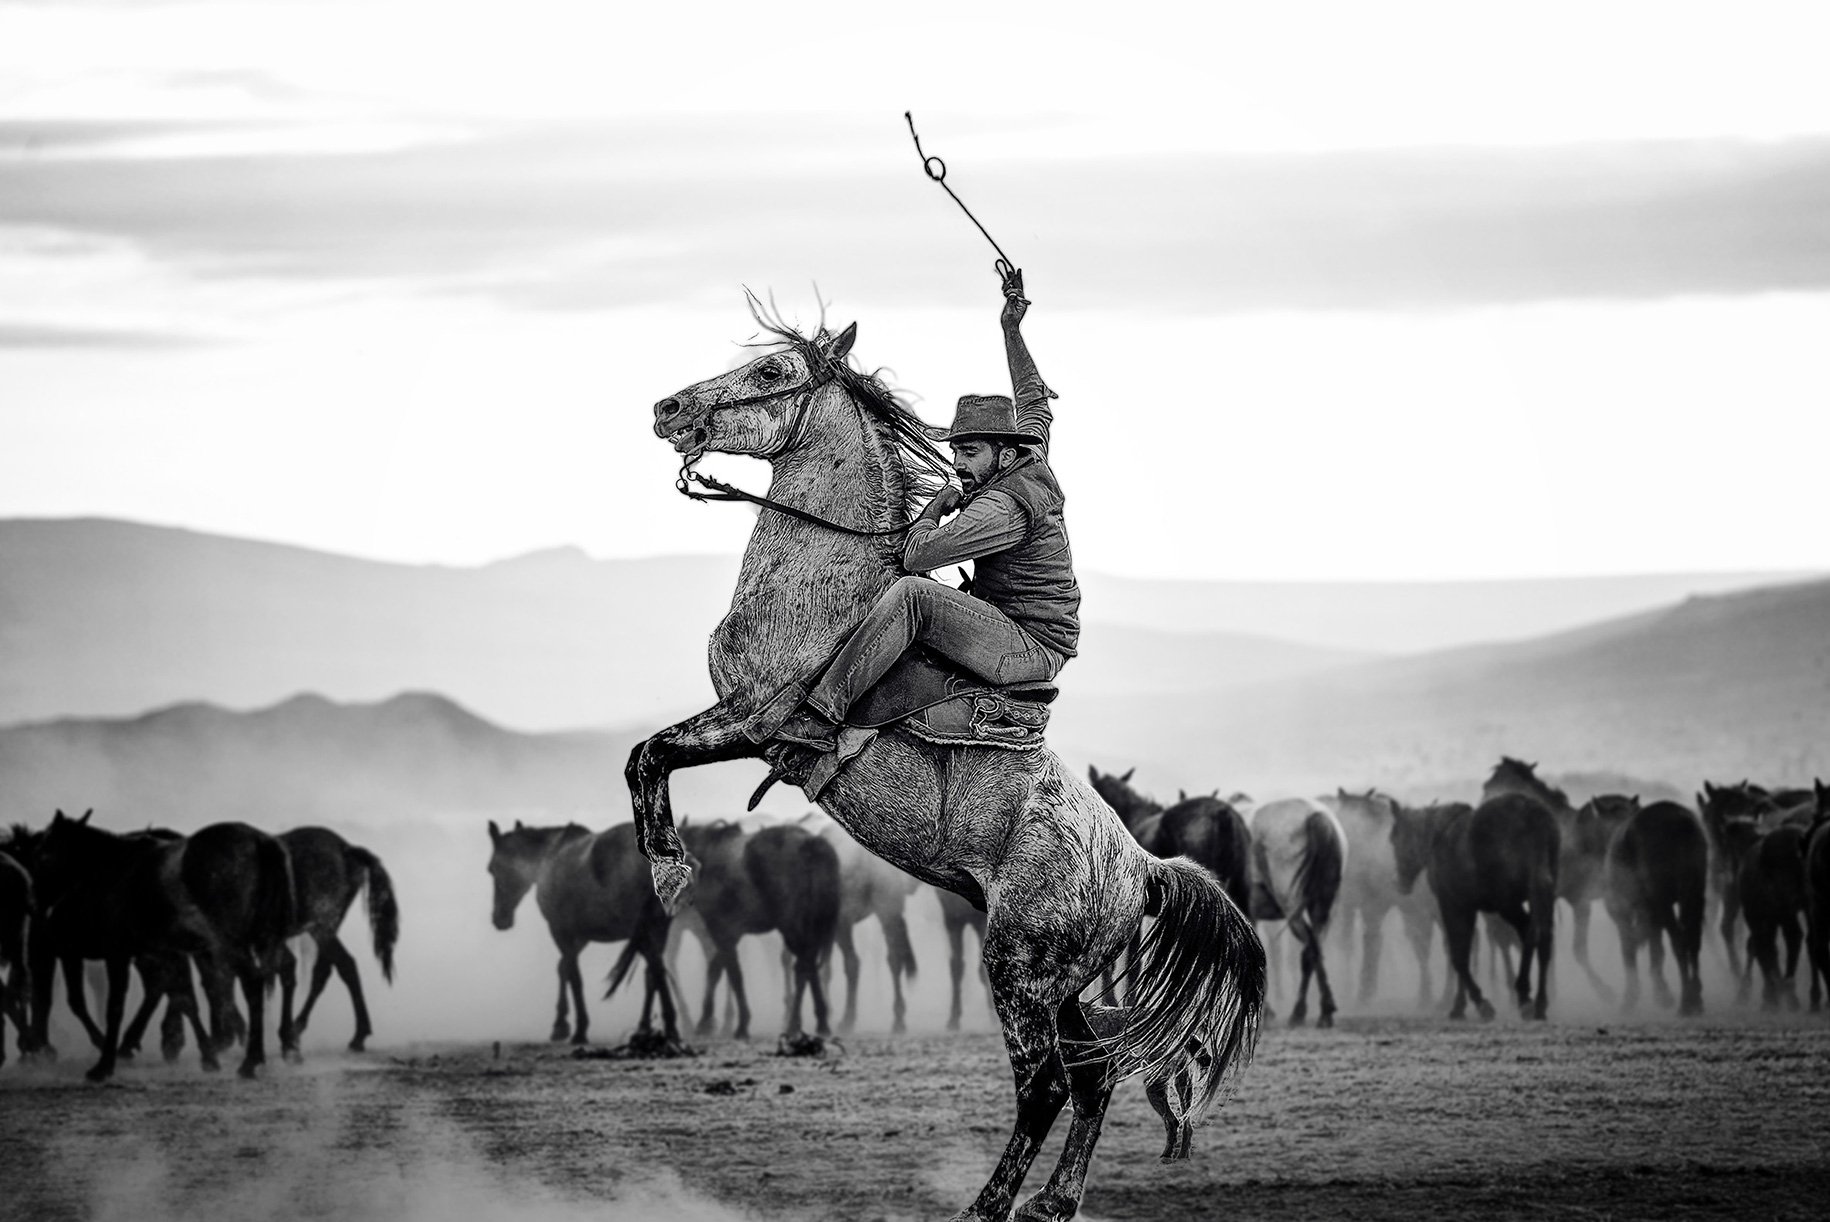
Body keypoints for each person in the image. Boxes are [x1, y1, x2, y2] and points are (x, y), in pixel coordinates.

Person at [782, 269, 1080, 749]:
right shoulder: (1029, 455)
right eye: (956, 451)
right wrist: (1011, 329)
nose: (957, 463)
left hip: (1028, 646)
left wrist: (936, 509)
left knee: (913, 596)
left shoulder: (1003, 507)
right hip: (1016, 625)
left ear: (1004, 454)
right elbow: (1034, 401)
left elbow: (916, 558)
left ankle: (820, 718)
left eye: (969, 453)